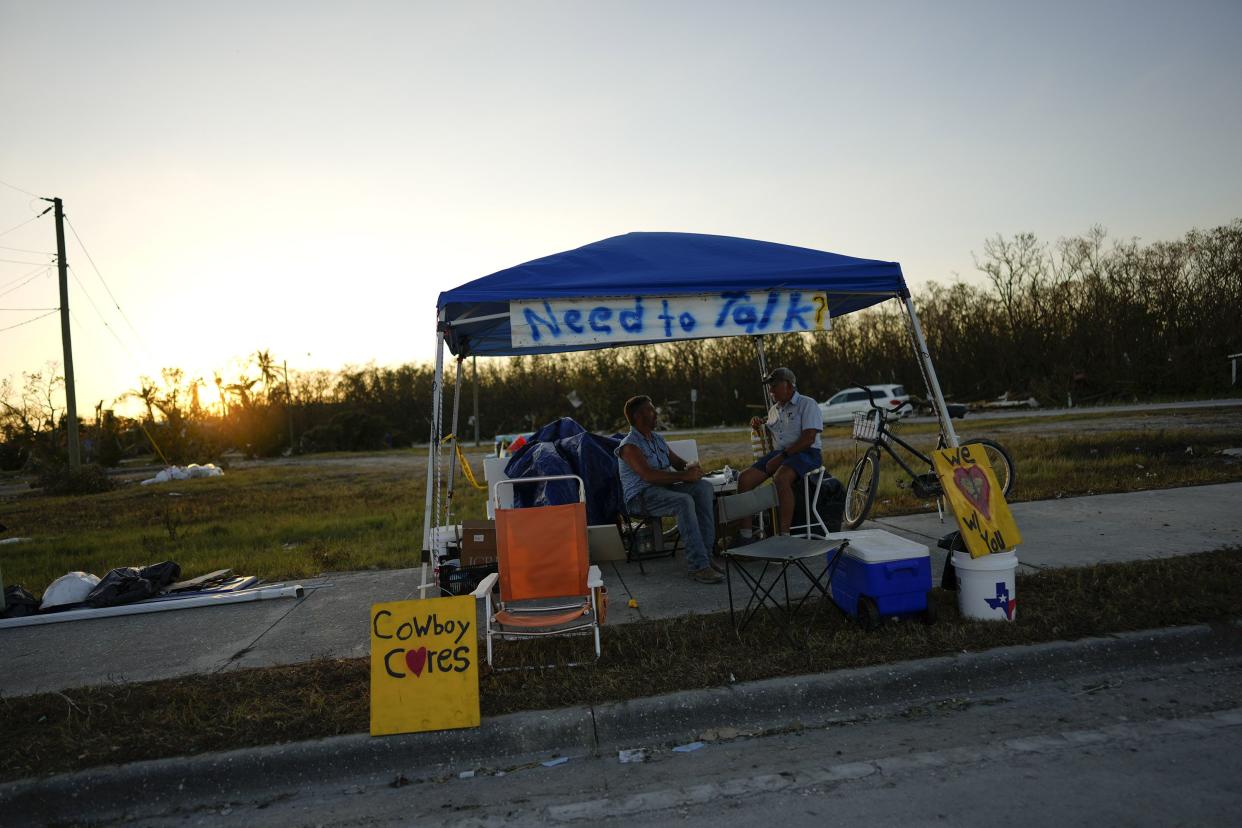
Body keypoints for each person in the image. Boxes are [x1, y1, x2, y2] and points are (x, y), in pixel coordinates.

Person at [615, 395, 723, 584]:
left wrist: (691, 467)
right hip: (641, 497)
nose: (656, 413)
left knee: (704, 488)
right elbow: (648, 475)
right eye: (651, 410)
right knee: (683, 501)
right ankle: (698, 567)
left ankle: (705, 557)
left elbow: (677, 463)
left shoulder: (656, 438)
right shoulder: (629, 446)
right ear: (639, 415)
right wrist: (683, 477)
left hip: (665, 489)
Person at [735, 367, 824, 537]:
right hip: (781, 453)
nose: (770, 390)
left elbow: (809, 438)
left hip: (807, 452)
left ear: (789, 386)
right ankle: (745, 536)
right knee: (744, 479)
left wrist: (782, 457)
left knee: (781, 478)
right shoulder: (774, 410)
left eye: (774, 385)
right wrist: (759, 424)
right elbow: (772, 431)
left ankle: (784, 536)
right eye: (769, 386)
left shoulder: (807, 404)